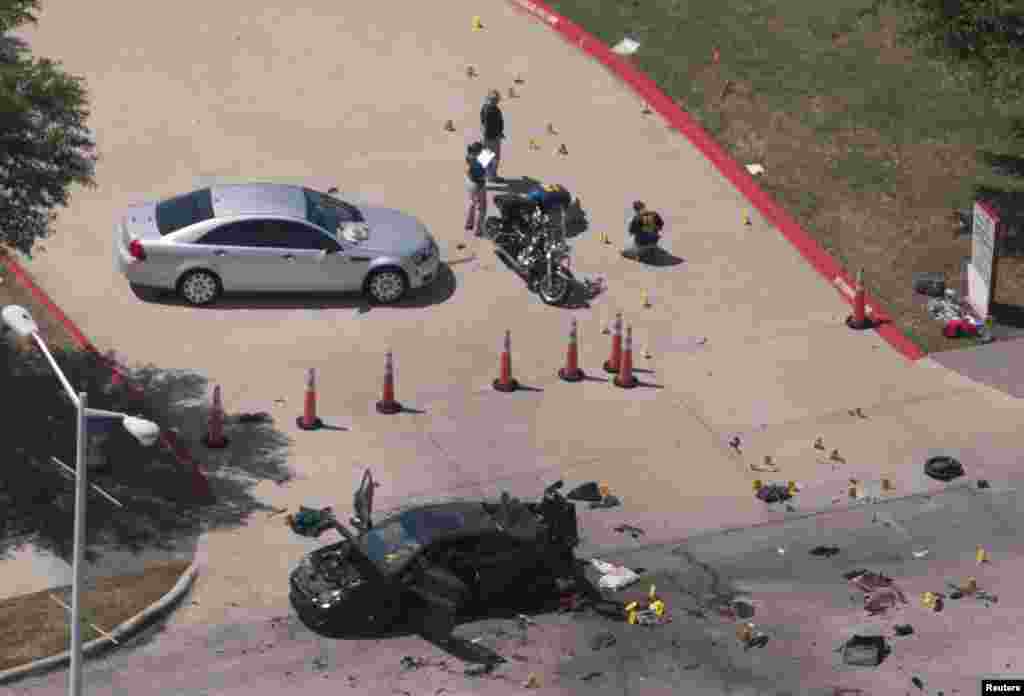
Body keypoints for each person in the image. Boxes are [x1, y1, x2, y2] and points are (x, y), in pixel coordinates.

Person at [480, 90, 505, 181]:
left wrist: (500, 132)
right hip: (491, 138)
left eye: (497, 99)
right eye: (493, 99)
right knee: (493, 158)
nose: (495, 101)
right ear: (488, 98)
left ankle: (484, 175)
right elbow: (487, 125)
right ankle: (491, 176)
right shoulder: (489, 110)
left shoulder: (489, 107)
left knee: (486, 157)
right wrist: (497, 135)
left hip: (490, 136)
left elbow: (496, 123)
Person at [465, 141, 488, 237]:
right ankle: (478, 230)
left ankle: (469, 224)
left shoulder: (469, 157)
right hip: (479, 185)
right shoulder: (481, 160)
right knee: (482, 208)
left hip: (470, 182)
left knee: (472, 203)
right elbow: (489, 160)